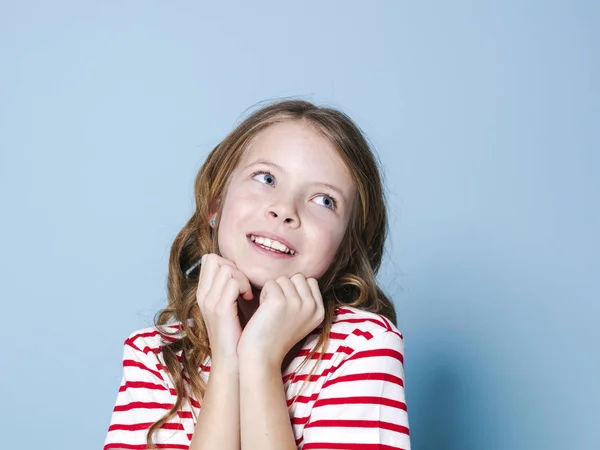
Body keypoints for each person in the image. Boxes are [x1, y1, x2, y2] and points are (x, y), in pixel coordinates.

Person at [103, 99, 411, 450]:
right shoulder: (154, 356)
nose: (284, 210)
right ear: (215, 203)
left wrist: (260, 360)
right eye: (266, 178)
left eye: (324, 200)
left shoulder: (361, 347)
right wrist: (226, 361)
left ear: (347, 248)